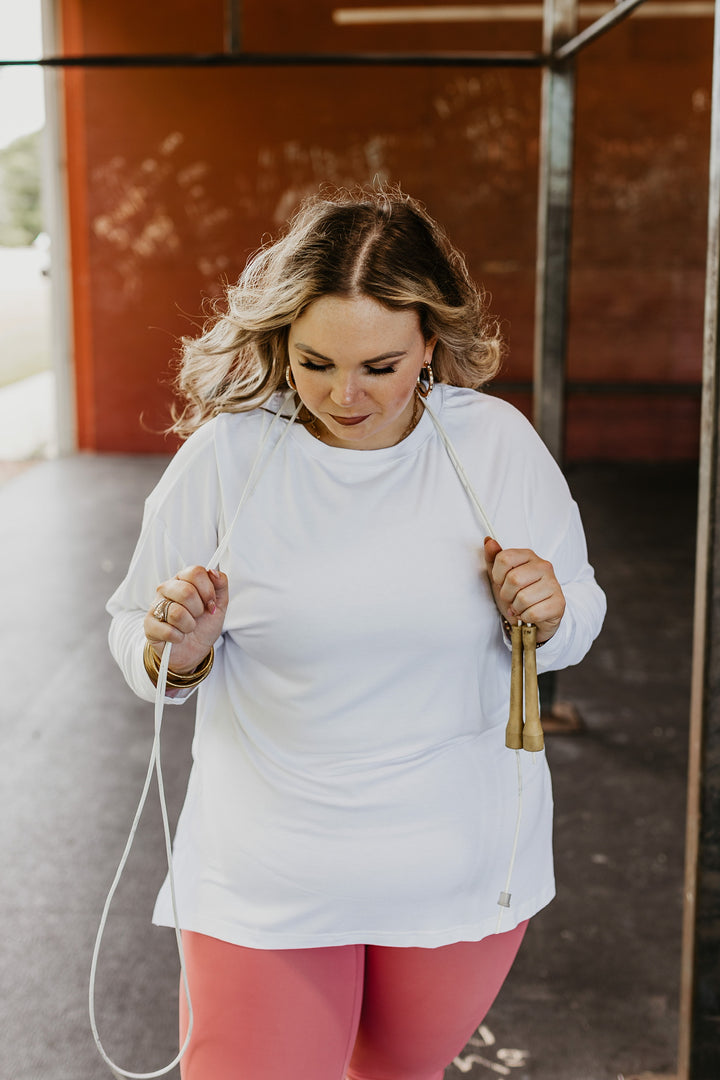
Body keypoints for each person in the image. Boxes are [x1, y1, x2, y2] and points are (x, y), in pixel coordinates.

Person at [107, 186, 606, 1080]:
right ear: (279, 344)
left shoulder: (496, 447)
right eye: (314, 362)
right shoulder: (227, 457)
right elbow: (133, 636)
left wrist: (551, 610)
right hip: (267, 875)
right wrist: (173, 656)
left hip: (458, 872)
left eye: (381, 365)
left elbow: (576, 617)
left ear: (430, 343)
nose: (347, 395)